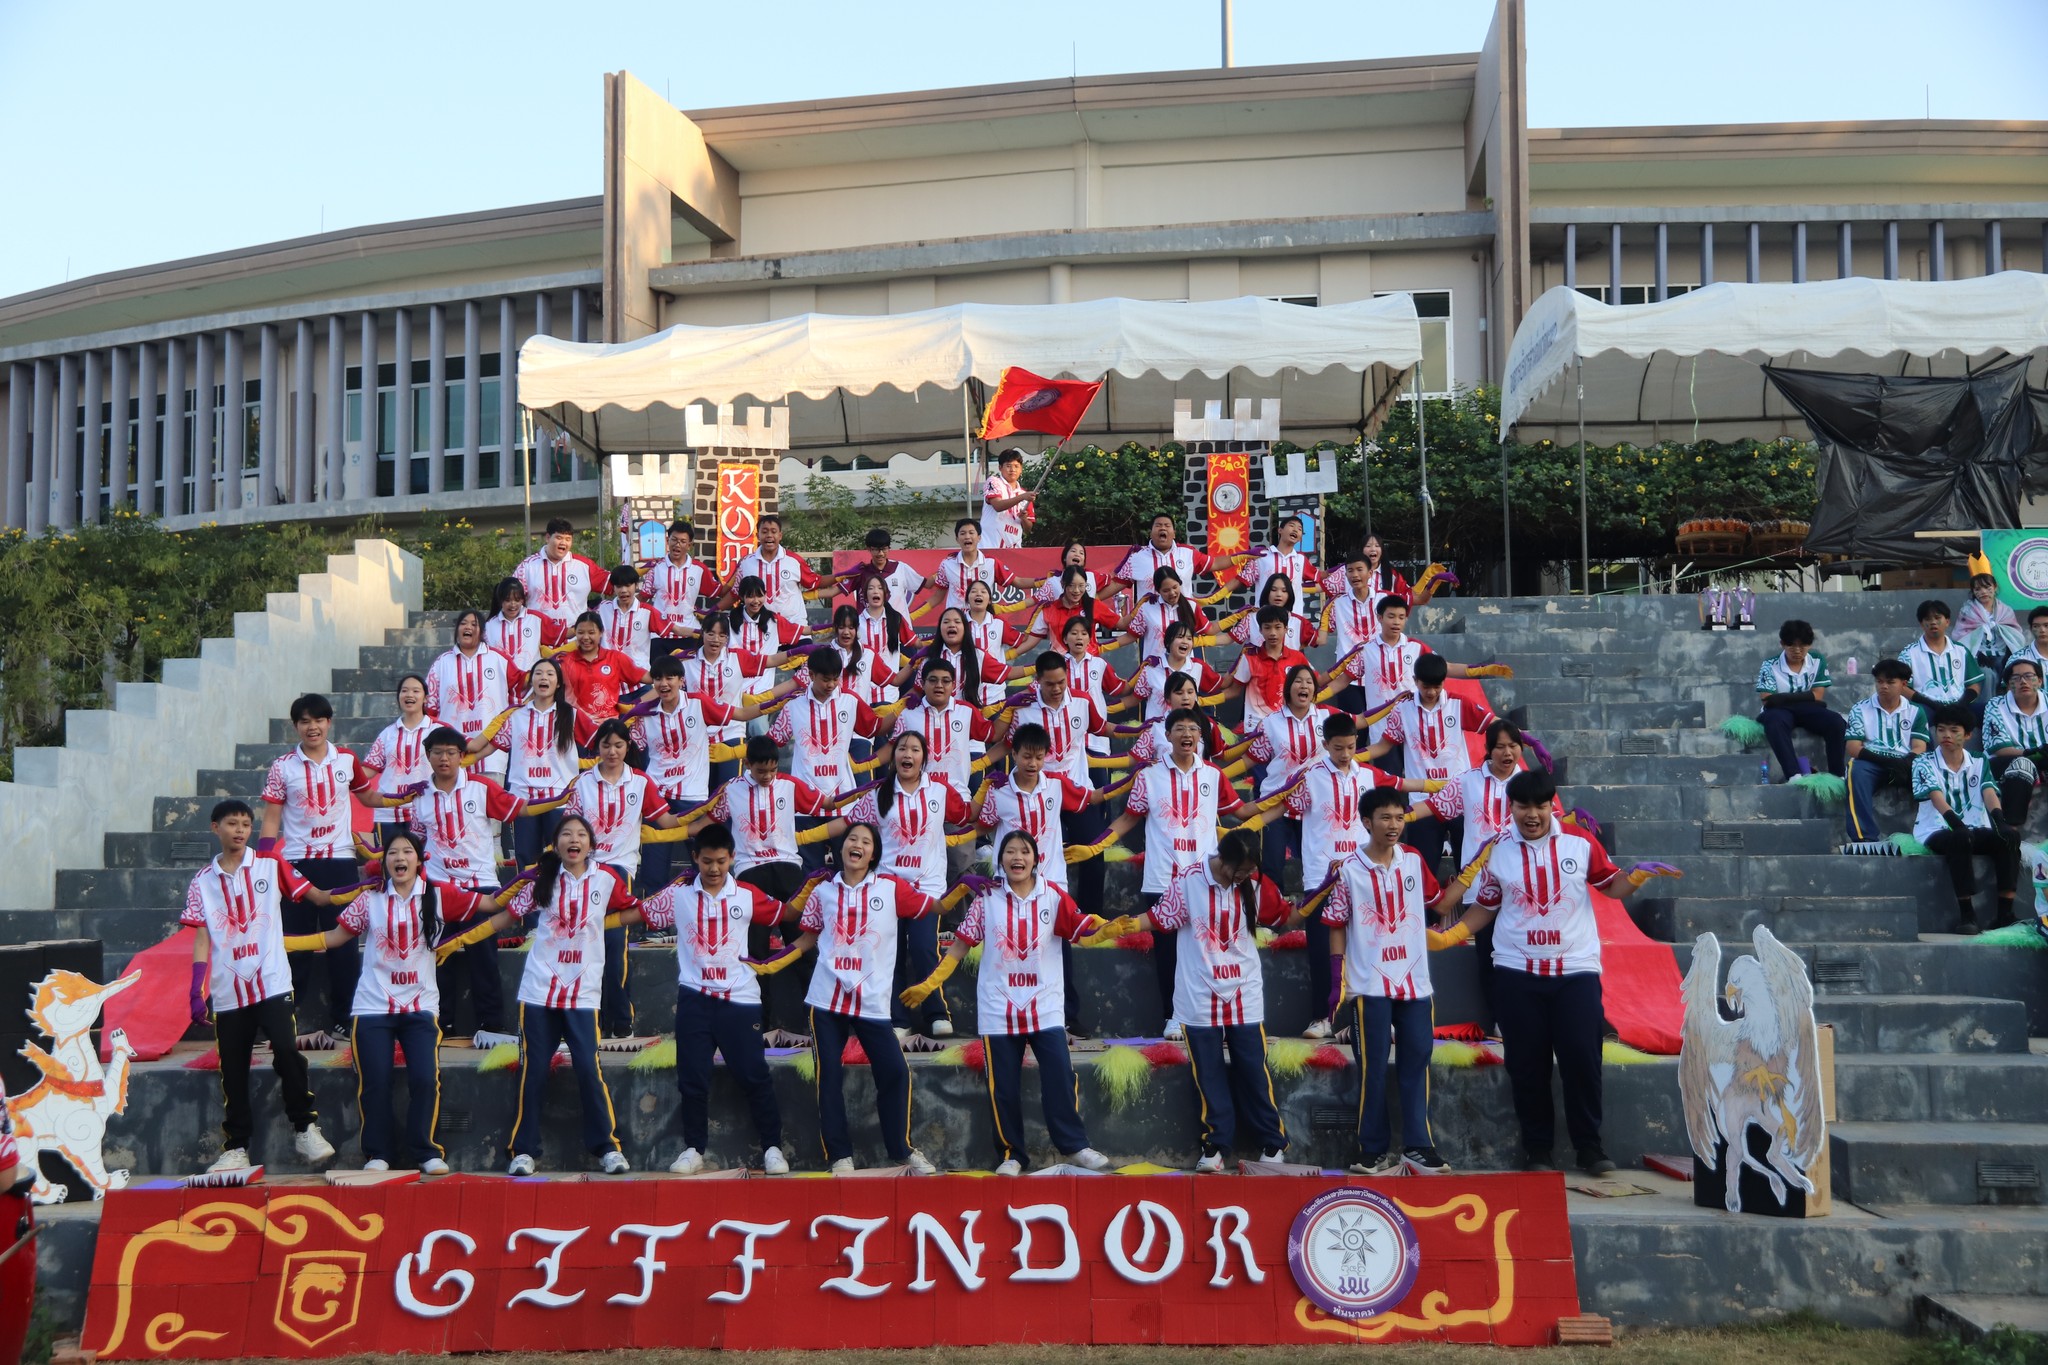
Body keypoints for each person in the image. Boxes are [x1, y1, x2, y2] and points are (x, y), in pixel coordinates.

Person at [1463, 768, 1673, 1174]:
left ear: (1551, 806)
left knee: (1582, 1058)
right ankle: (1537, 1150)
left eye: (1540, 806)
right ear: (1511, 807)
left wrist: (1636, 877)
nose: (1532, 814)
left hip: (1575, 970)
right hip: (1516, 972)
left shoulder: (1580, 842)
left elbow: (1611, 886)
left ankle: (1589, 1147)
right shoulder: (1496, 850)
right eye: (1523, 806)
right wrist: (1451, 934)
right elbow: (1485, 906)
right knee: (1527, 1064)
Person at [285, 827, 497, 1173]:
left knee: (425, 1079)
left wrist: (529, 892)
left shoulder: (438, 895)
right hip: (373, 1007)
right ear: (384, 862)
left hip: (420, 1006)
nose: (400, 858)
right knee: (375, 1082)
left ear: (419, 860)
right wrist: (282, 943)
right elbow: (334, 937)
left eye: (407, 852)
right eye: (393, 853)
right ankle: (378, 1153)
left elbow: (491, 905)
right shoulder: (368, 900)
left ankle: (426, 1152)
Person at [435, 813, 636, 1175]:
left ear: (591, 844)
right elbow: (502, 919)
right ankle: (524, 1150)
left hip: (582, 993)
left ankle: (608, 1148)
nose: (573, 840)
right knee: (534, 1070)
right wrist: (457, 941)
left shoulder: (607, 879)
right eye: (566, 834)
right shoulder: (542, 880)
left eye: (581, 835)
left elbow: (631, 910)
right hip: (540, 991)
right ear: (555, 844)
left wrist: (669, 903)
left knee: (589, 1069)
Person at [906, 831, 1115, 1174]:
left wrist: (1110, 929)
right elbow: (959, 948)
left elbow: (1083, 931)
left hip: (1045, 1005)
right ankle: (1012, 1154)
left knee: (1060, 1076)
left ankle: (1075, 1146)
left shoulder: (1054, 896)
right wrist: (930, 984)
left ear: (1036, 859)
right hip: (998, 1007)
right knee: (1002, 1086)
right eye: (1010, 851)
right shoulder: (986, 899)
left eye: (1025, 851)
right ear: (1000, 859)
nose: (1018, 857)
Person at [612, 824, 791, 1176]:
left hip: (740, 999)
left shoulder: (747, 894)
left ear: (732, 858)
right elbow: (637, 914)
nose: (714, 869)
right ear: (694, 858)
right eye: (707, 861)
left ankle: (772, 1147)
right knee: (692, 1079)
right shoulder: (678, 895)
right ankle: (694, 1149)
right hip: (695, 998)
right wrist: (589, 922)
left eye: (721, 861)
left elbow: (789, 914)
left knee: (754, 1075)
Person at [1323, 786, 1485, 1176]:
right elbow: (1335, 924)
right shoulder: (1348, 869)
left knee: (1417, 1064)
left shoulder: (1413, 860)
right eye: (1385, 818)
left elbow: (1440, 904)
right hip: (1370, 985)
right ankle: (1372, 1150)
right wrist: (1337, 977)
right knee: (1373, 1069)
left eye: (1399, 817)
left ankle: (1418, 1147)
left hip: (1415, 983)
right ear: (1366, 822)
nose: (1393, 825)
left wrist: (1475, 866)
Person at [184, 798, 338, 1173]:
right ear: (215, 828)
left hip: (271, 981)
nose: (239, 830)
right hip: (228, 989)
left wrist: (364, 886)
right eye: (231, 823)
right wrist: (196, 989)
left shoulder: (270, 863)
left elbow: (318, 896)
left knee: (286, 1051)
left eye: (245, 824)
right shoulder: (202, 881)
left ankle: (305, 1127)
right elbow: (201, 937)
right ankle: (237, 1147)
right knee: (233, 1069)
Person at [785, 823, 940, 1174]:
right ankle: (839, 1154)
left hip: (871, 1001)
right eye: (852, 839)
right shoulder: (823, 891)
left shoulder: (891, 887)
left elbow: (934, 906)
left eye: (866, 842)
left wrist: (962, 890)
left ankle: (901, 1149)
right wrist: (772, 962)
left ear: (874, 854)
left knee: (895, 1072)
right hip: (826, 999)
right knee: (828, 1076)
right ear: (841, 848)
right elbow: (807, 938)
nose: (857, 845)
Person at [1134, 831, 1292, 1171]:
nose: (1243, 876)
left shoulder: (1255, 883)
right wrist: (1121, 926)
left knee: (1253, 1069)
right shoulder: (1189, 880)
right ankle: (1215, 1145)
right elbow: (1160, 919)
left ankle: (1273, 1143)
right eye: (1239, 870)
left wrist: (1323, 891)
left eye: (1250, 870)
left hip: (1244, 991)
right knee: (1207, 1073)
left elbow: (1287, 918)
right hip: (1199, 991)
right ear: (1223, 858)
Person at [1099, 707, 1249, 1041]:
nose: (1186, 734)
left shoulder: (1213, 775)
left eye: (1193, 729)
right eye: (1179, 728)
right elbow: (1128, 818)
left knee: (1209, 952)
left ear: (1201, 737)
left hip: (1207, 881)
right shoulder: (1148, 777)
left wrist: (1281, 799)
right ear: (1167, 736)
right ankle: (1173, 1016)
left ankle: (1214, 1015)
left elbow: (1242, 811)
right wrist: (1097, 846)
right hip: (1162, 879)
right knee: (1168, 955)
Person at [1283, 713, 1435, 1038]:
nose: (1345, 754)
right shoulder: (1308, 777)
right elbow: (1283, 807)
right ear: (1325, 745)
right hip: (1321, 875)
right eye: (1338, 748)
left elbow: (1402, 785)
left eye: (1351, 747)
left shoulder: (1367, 774)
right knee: (1322, 949)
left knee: (1367, 946)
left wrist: (1445, 785)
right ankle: (1322, 1017)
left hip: (1363, 874)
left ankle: (1362, 1021)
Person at [834, 732, 974, 1038]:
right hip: (887, 888)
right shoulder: (878, 795)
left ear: (924, 757)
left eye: (914, 749)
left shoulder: (939, 790)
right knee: (890, 954)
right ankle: (898, 1019)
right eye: (901, 749)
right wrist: (803, 836)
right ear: (893, 755)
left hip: (927, 889)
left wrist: (992, 791)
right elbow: (849, 825)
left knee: (924, 949)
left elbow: (968, 815)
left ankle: (936, 1013)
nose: (907, 755)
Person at [262, 693, 378, 1043]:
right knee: (293, 945)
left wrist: (405, 796)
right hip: (297, 863)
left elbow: (368, 797)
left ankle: (344, 1019)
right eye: (304, 721)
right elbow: (271, 820)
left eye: (318, 720)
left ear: (329, 722)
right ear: (295, 726)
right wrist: (265, 864)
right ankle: (285, 1022)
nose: (312, 727)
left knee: (345, 946)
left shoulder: (347, 759)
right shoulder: (283, 767)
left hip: (341, 862)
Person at [977, 723, 1103, 1034]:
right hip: (1010, 885)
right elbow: (981, 824)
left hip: (1052, 882)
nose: (1032, 763)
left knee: (1059, 948)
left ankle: (1064, 1015)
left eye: (1038, 757)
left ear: (1047, 756)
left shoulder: (1057, 785)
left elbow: (1092, 797)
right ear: (1014, 755)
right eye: (1026, 756)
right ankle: (1009, 1011)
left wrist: (1131, 779)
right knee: (1010, 947)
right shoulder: (999, 792)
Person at [409, 727, 525, 1046]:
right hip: (437, 888)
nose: (444, 758)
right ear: (428, 756)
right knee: (437, 958)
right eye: (437, 752)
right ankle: (440, 1022)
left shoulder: (481, 788)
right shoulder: (419, 796)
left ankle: (491, 1024)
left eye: (451, 752)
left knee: (484, 958)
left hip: (480, 886)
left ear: (462, 756)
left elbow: (516, 810)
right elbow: (415, 841)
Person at [566, 718, 680, 1037]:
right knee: (582, 948)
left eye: (618, 745)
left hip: (619, 872)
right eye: (606, 745)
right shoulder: (582, 783)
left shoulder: (640, 782)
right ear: (597, 748)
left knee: (615, 949)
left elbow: (665, 820)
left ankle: (620, 1020)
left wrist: (702, 819)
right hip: (584, 871)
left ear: (628, 747)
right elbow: (568, 828)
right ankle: (591, 1020)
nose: (612, 751)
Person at [632, 654, 779, 892]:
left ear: (682, 680)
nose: (664, 684)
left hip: (693, 797)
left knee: (707, 861)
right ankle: (655, 914)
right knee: (654, 870)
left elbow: (741, 715)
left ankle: (715, 905)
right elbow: (627, 750)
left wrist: (780, 700)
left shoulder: (698, 704)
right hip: (657, 797)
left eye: (670, 678)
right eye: (658, 679)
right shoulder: (644, 715)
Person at [1370, 653, 1496, 873]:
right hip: (1422, 803)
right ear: (1415, 680)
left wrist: (1528, 740)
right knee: (1422, 870)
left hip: (1460, 799)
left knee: (1470, 869)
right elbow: (1383, 746)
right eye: (1426, 686)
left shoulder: (1458, 703)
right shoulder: (1402, 709)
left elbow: (1495, 725)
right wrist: (1355, 757)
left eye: (1437, 686)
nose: (1431, 692)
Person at [483, 656, 594, 871]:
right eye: (539, 673)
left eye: (550, 674)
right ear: (532, 680)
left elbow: (599, 739)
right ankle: (528, 894)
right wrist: (465, 755)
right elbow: (493, 745)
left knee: (562, 857)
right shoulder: (516, 716)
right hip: (524, 799)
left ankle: (561, 893)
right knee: (527, 858)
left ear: (558, 683)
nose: (544, 678)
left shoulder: (571, 714)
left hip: (560, 798)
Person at [1914, 703, 2017, 935]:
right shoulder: (1923, 761)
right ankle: (1967, 915)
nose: (1946, 735)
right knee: (1960, 839)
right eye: (1941, 729)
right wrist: (1958, 826)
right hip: (1935, 829)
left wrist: (2000, 822)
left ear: (1968, 735)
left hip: (1975, 827)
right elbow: (1936, 797)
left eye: (1954, 730)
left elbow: (1989, 791)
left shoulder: (1979, 760)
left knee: (2008, 839)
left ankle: (2005, 914)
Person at [1842, 659, 1930, 849]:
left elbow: (1919, 747)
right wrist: (1886, 761)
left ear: (1903, 684)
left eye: (1890, 682)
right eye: (1880, 681)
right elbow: (1853, 747)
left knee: (1931, 771)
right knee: (1855, 770)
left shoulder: (1916, 711)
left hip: (1905, 763)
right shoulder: (1860, 708)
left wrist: (1904, 762)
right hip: (1872, 762)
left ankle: (1932, 832)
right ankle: (1864, 837)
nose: (1883, 686)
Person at [427, 609, 520, 782]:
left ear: (482, 632)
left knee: (491, 798)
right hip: (451, 755)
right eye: (463, 623)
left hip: (492, 756)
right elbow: (430, 709)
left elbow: (520, 692)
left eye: (474, 624)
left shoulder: (499, 659)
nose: (467, 627)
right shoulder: (441, 664)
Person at [1753, 619, 1846, 781]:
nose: (1797, 650)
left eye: (1802, 646)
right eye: (1791, 645)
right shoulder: (1770, 665)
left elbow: (1818, 695)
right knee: (1774, 722)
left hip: (1807, 709)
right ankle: (1793, 775)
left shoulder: (1817, 660)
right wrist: (1806, 697)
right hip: (1780, 712)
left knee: (1837, 722)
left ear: (1810, 645)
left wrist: (1780, 698)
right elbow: (1767, 700)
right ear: (1782, 644)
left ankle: (1837, 776)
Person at [1983, 657, 2048, 865]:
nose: (2023, 682)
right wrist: (2033, 752)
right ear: (2008, 684)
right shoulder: (1996, 705)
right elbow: (1998, 748)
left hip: (2043, 759)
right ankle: (2010, 833)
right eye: (2016, 678)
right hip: (2005, 762)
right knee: (2024, 765)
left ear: (2040, 680)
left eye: (2029, 676)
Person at [360, 675, 435, 848]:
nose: (409, 695)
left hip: (426, 813)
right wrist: (338, 772)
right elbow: (369, 770)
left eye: (416, 691)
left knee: (425, 863)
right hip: (387, 815)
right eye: (404, 691)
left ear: (426, 698)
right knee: (390, 863)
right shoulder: (387, 734)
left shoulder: (438, 730)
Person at [515, 517, 611, 640]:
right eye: (559, 538)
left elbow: (616, 584)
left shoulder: (584, 566)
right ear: (548, 537)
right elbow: (512, 600)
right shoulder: (527, 567)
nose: (563, 543)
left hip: (576, 641)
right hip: (538, 640)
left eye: (568, 539)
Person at [1220, 605, 1312, 733]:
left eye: (1278, 627)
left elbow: (1313, 684)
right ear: (1260, 630)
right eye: (1267, 627)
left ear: (1286, 629)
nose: (1273, 633)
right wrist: (1204, 701)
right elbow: (1234, 691)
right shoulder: (1250, 659)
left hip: (1288, 725)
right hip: (1256, 728)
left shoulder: (1298, 658)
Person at [723, 513, 820, 633]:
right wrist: (712, 611)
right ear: (757, 535)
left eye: (773, 531)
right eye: (764, 532)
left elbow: (816, 582)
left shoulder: (794, 560)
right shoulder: (746, 563)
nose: (769, 535)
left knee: (805, 646)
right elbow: (735, 593)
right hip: (760, 629)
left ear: (780, 535)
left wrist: (839, 578)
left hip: (794, 625)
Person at [558, 610, 648, 733]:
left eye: (591, 633)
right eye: (580, 632)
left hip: (608, 730)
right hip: (575, 729)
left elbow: (649, 678)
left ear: (601, 632)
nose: (585, 637)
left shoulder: (615, 658)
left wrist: (670, 664)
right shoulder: (564, 661)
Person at [1901, 599, 1985, 724]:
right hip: (1926, 707)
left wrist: (1961, 705)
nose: (1933, 622)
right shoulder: (1909, 653)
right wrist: (1932, 704)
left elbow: (1974, 684)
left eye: (1937, 617)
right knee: (1917, 716)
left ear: (1947, 621)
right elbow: (1902, 687)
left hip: (1960, 705)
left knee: (1989, 712)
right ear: (1921, 624)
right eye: (1928, 619)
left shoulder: (1961, 650)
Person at [639, 520, 715, 654]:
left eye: (682, 541)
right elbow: (642, 599)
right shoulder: (656, 567)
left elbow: (718, 592)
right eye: (674, 539)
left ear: (689, 545)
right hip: (660, 635)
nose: (677, 544)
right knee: (658, 668)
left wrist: (736, 578)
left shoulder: (699, 569)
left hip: (689, 634)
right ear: (667, 540)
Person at [598, 563, 679, 675]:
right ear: (613, 587)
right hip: (608, 674)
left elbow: (676, 629)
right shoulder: (602, 608)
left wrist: (697, 632)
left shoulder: (647, 611)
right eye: (619, 586)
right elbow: (584, 628)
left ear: (636, 585)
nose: (623, 590)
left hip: (640, 677)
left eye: (628, 585)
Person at [1133, 622, 1224, 721]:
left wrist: (1237, 668)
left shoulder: (1198, 667)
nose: (1185, 642)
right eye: (1180, 637)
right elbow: (1134, 699)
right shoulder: (1151, 669)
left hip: (1187, 728)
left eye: (1189, 638)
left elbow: (1224, 685)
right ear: (1168, 642)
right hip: (1157, 729)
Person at [1123, 566, 1211, 663]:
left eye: (1175, 587)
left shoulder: (1191, 606)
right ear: (1158, 590)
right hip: (1154, 668)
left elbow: (1211, 630)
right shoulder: (1146, 608)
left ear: (1180, 583)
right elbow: (1130, 636)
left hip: (1185, 668)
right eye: (1166, 590)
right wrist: (1109, 647)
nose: (1172, 593)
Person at [1117, 512, 1215, 593]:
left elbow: (1216, 563)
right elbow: (1115, 584)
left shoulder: (1188, 553)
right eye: (1158, 525)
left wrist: (1230, 557)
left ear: (1174, 534)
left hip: (1183, 611)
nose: (1163, 528)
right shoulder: (1136, 558)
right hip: (1149, 611)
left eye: (1167, 525)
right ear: (1150, 533)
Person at [1032, 566, 1125, 651]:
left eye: (1081, 586)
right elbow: (1030, 641)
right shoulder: (1049, 610)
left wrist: (1102, 648)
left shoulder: (1093, 605)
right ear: (1063, 584)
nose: (1076, 590)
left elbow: (1123, 624)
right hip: (1059, 663)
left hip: (1089, 662)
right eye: (1071, 586)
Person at [935, 518, 1019, 611]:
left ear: (979, 538)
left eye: (971, 533)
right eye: (962, 533)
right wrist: (919, 613)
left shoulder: (991, 563)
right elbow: (937, 597)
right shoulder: (947, 564)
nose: (967, 537)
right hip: (956, 619)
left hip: (982, 617)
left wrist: (1035, 583)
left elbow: (1018, 582)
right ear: (957, 539)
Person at [1956, 572, 2024, 683]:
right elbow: (1961, 637)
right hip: (1977, 657)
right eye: (1978, 589)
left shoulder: (2006, 611)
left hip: (2003, 655)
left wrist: (2010, 652)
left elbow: (2015, 635)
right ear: (1973, 591)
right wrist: (1977, 654)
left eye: (1987, 587)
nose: (1983, 592)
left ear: (1995, 587)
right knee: (1986, 675)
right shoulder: (1967, 612)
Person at [849, 527, 929, 619]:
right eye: (876, 549)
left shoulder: (900, 568)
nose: (881, 553)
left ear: (889, 548)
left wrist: (940, 573)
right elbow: (836, 590)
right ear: (869, 549)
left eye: (884, 549)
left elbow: (928, 584)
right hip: (870, 625)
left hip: (899, 626)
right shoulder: (861, 572)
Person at [1229, 574, 1320, 653]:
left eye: (1284, 591)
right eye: (1274, 590)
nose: (1278, 594)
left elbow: (1319, 640)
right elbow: (1229, 638)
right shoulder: (1251, 619)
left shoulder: (1299, 622)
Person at [486, 576, 556, 678]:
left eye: (517, 600)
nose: (513, 604)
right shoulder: (488, 626)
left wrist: (579, 630)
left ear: (523, 600)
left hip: (531, 682)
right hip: (501, 682)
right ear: (500, 600)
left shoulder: (536, 619)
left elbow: (561, 633)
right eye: (508, 600)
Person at [1243, 516, 1313, 603]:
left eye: (1299, 529)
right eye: (1291, 525)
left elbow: (1320, 580)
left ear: (1301, 537)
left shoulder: (1301, 559)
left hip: (1293, 611)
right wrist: (1226, 590)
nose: (1295, 530)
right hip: (1264, 611)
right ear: (1280, 530)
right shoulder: (1262, 556)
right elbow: (1243, 579)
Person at [981, 447, 1035, 549]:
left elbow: (1028, 529)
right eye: (1008, 466)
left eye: (1016, 466)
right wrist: (1022, 497)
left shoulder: (1024, 494)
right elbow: (998, 506)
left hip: (1014, 549)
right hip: (990, 546)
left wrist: (1024, 519)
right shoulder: (993, 481)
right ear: (1000, 467)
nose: (1012, 470)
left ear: (1021, 469)